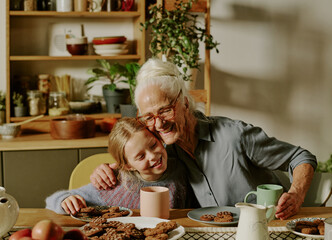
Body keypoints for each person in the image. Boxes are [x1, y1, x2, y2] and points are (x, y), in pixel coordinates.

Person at [90, 58, 317, 220]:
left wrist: (296, 194)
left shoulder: (234, 135)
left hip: (268, 227)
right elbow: (137, 166)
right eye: (149, 117)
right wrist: (108, 170)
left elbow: (300, 157)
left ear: (185, 102)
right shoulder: (162, 150)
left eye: (166, 110)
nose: (158, 124)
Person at [45, 117, 196, 215]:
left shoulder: (180, 166)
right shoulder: (115, 183)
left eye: (153, 145)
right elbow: (51, 201)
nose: (152, 156)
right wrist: (65, 200)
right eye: (141, 156)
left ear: (159, 139)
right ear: (128, 165)